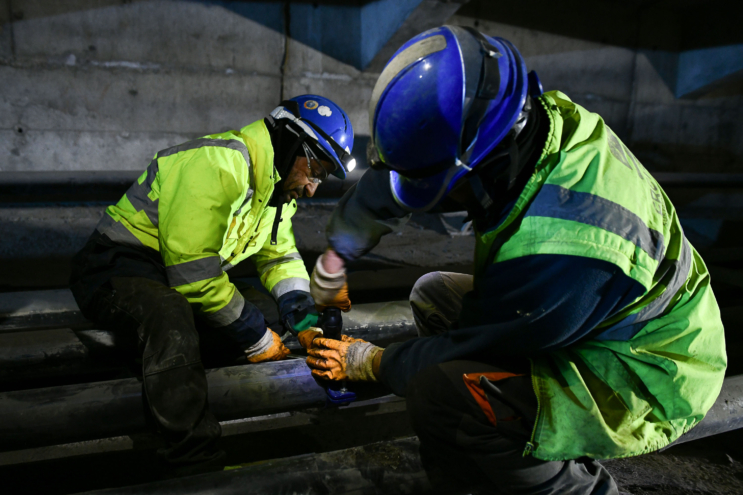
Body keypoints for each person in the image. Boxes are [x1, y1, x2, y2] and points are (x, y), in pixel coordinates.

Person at [305, 26, 726, 494]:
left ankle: (571, 481)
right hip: (598, 317)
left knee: (436, 394)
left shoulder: (559, 249)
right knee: (431, 293)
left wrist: (373, 362)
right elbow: (407, 175)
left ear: (485, 165)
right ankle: (492, 440)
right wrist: (335, 258)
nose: (443, 201)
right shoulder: (531, 123)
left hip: (648, 373)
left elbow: (479, 340)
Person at [69, 94, 355, 470]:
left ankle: (167, 374)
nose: (313, 187)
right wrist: (257, 337)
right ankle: (193, 459)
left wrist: (303, 322)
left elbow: (279, 257)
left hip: (168, 273)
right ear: (290, 142)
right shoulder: (219, 164)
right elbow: (193, 271)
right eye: (315, 169)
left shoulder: (276, 189)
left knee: (265, 309)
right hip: (117, 266)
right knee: (171, 317)